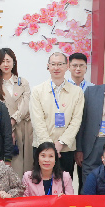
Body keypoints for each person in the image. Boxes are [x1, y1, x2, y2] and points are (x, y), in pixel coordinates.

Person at [30, 52, 84, 181]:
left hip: (65, 149)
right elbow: (37, 121)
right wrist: (50, 148)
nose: (56, 67)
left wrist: (60, 143)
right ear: (48, 66)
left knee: (64, 184)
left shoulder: (77, 92)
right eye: (53, 64)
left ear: (67, 66)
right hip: (42, 149)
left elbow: (76, 121)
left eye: (60, 64)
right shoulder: (37, 91)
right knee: (41, 184)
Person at [0, 47, 32, 177]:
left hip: (24, 127)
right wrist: (7, 125)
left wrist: (13, 119)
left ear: (14, 62)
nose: (5, 64)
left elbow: (26, 105)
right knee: (9, 166)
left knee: (26, 166)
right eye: (2, 61)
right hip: (4, 129)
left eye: (8, 61)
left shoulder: (23, 82)